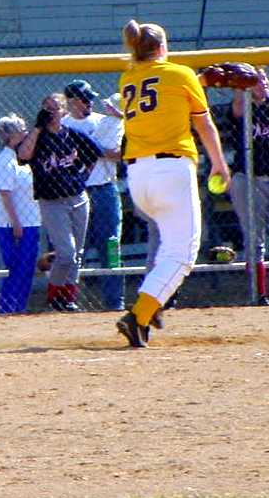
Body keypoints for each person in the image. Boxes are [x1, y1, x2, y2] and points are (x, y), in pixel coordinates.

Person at [115, 19, 230, 347]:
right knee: (182, 254)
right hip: (171, 171)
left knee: (169, 248)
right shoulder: (181, 74)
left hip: (138, 177)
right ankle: (140, 315)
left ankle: (152, 304)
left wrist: (199, 81)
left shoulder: (127, 78)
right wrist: (219, 163)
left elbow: (161, 90)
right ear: (163, 47)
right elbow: (204, 125)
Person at [17, 93, 108, 311]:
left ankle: (68, 298)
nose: (50, 112)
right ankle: (55, 294)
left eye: (55, 107)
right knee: (66, 253)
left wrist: (83, 177)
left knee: (76, 254)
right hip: (52, 201)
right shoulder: (37, 137)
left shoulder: (73, 135)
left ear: (64, 111)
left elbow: (95, 153)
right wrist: (37, 128)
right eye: (46, 108)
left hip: (78, 198)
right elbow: (23, 155)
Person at [62, 81, 126, 310]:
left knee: (110, 245)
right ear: (71, 101)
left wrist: (91, 149)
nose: (89, 102)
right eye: (84, 98)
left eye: (90, 98)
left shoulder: (105, 121)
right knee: (74, 249)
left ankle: (114, 301)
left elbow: (119, 154)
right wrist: (94, 149)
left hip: (105, 189)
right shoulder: (62, 125)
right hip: (75, 192)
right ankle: (68, 299)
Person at [227, 66, 269, 306]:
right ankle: (259, 294)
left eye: (264, 79)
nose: (262, 84)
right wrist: (242, 83)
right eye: (256, 81)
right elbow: (237, 107)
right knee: (254, 239)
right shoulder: (243, 106)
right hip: (248, 179)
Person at [0, 114, 40, 313]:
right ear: (11, 135)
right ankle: (7, 308)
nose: (26, 133)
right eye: (22, 130)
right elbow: (5, 193)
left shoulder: (23, 158)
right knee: (15, 268)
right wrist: (16, 222)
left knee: (27, 268)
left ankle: (20, 308)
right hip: (11, 223)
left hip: (31, 220)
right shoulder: (5, 160)